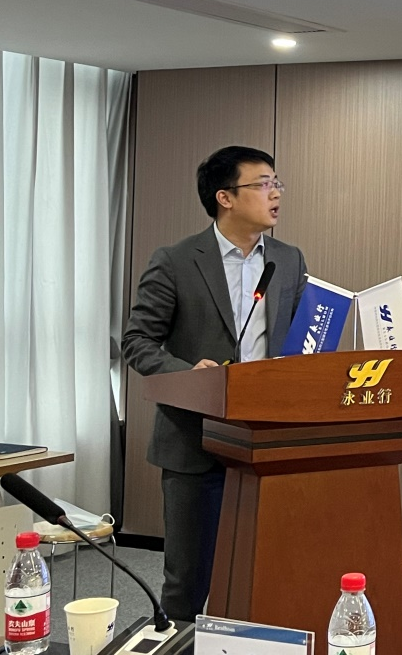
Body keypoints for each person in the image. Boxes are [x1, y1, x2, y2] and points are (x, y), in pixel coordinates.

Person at [122, 146, 307, 622]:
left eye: (277, 183)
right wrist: (188, 374)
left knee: (265, 573)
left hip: (267, 441)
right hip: (194, 440)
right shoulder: (176, 260)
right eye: (262, 184)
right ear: (225, 197)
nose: (276, 193)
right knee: (187, 581)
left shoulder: (288, 260)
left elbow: (298, 341)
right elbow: (138, 342)